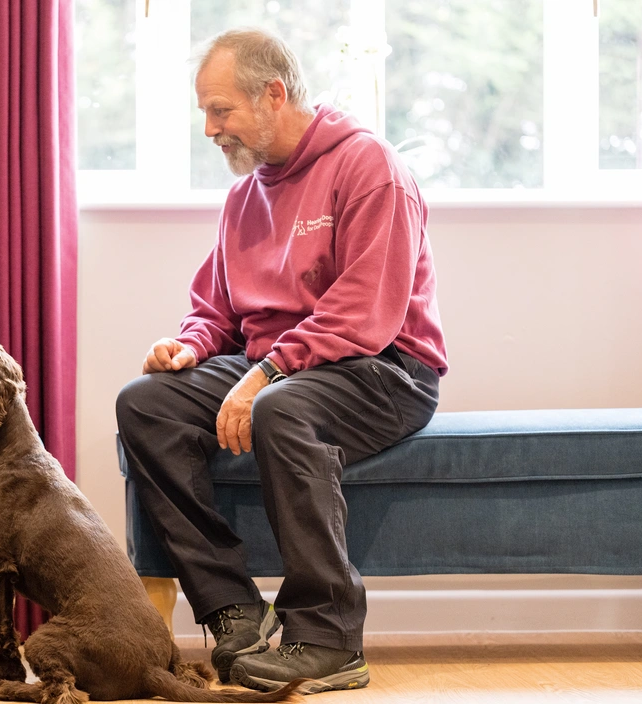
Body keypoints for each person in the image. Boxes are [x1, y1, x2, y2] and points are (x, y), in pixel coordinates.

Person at [115, 29, 448, 695]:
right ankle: (234, 612)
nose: (208, 129)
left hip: (384, 368)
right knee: (145, 402)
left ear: (273, 95)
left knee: (281, 407)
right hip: (277, 367)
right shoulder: (245, 197)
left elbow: (365, 312)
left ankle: (328, 639)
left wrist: (264, 374)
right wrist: (191, 345)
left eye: (220, 110)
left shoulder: (368, 166)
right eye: (203, 112)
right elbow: (216, 309)